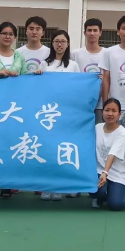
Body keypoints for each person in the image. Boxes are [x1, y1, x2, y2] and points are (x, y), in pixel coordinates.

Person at [0, 22, 36, 200]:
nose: (7, 37)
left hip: (13, 108)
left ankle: (6, 184)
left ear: (15, 37)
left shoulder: (19, 57)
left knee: (8, 144)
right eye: (4, 33)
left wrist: (26, 77)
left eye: (11, 34)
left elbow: (26, 81)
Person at [38, 30, 80, 201]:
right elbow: (38, 87)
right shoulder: (44, 64)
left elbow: (78, 88)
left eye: (63, 41)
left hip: (65, 112)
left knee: (61, 149)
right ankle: (46, 187)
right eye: (57, 41)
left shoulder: (73, 65)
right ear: (52, 43)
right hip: (47, 113)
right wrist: (37, 76)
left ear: (68, 44)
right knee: (47, 149)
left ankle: (58, 187)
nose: (60, 44)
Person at [93, 98, 125, 211]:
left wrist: (105, 172)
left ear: (119, 114)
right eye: (107, 110)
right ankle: (100, 197)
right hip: (98, 171)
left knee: (117, 205)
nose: (110, 114)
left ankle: (114, 193)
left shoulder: (122, 132)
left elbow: (112, 154)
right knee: (99, 191)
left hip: (117, 172)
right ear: (102, 112)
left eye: (114, 111)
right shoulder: (97, 128)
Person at [71, 18, 106, 124]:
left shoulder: (107, 53)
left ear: (100, 32)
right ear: (84, 33)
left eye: (95, 30)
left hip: (101, 105)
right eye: (89, 30)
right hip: (81, 104)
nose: (92, 33)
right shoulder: (75, 54)